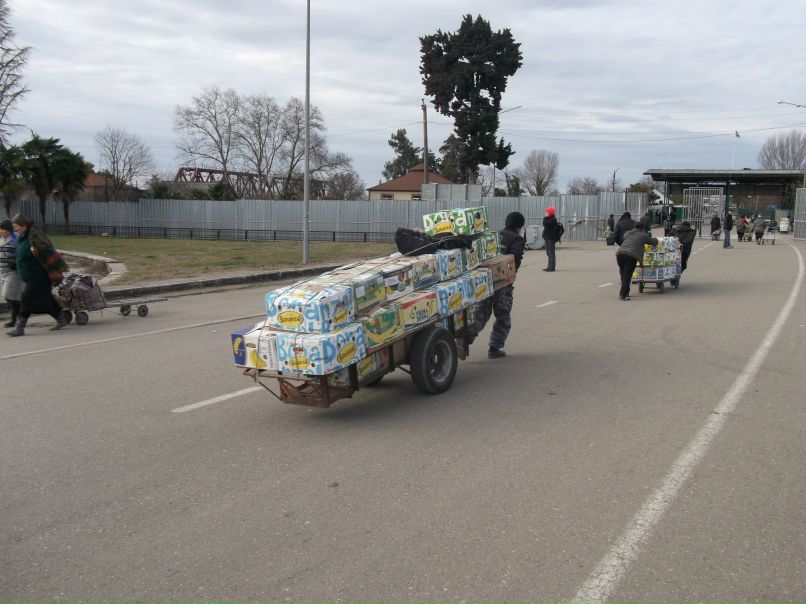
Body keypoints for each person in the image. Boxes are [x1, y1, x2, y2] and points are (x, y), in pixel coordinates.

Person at [464, 211, 526, 359]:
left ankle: (465, 339)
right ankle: (495, 347)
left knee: (481, 313)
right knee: (503, 315)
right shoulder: (517, 239)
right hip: (503, 283)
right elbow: (514, 260)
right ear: (519, 226)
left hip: (485, 279)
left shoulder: (495, 235)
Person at [7, 214, 69, 337]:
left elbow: (49, 252)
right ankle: (61, 318)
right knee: (45, 300)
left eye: (16, 227)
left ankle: (20, 328)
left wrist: (60, 267)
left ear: (24, 225)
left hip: (40, 275)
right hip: (31, 276)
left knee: (25, 298)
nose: (15, 230)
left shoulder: (35, 236)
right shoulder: (23, 237)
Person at [615, 218, 658, 301]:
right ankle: (623, 295)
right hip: (631, 256)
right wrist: (657, 240)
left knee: (624, 274)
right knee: (627, 276)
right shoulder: (643, 235)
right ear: (642, 228)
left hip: (619, 254)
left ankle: (625, 292)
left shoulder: (627, 233)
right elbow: (653, 242)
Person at [0, 219, 24, 328]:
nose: (1, 231)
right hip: (3, 273)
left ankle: (21, 316)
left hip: (13, 273)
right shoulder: (1, 240)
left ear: (9, 231)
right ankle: (15, 320)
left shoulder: (15, 241)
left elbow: (22, 254)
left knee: (8, 296)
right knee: (12, 297)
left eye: (3, 229)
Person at [541, 206, 561, 272]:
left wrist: (545, 217)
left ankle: (552, 267)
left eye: (547, 212)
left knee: (551, 253)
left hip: (551, 238)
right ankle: (549, 266)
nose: (546, 213)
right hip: (547, 237)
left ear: (550, 213)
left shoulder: (552, 219)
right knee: (548, 252)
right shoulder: (549, 218)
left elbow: (545, 223)